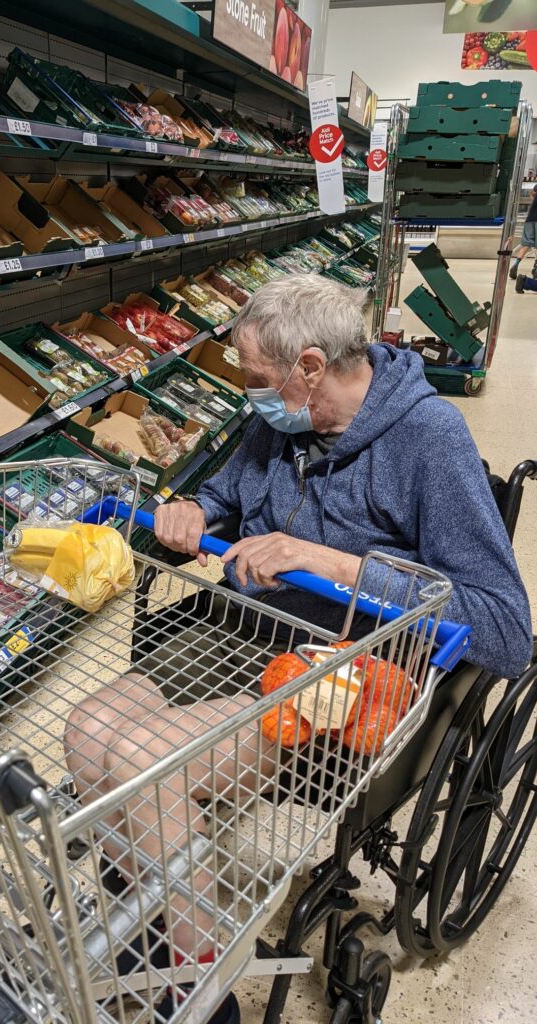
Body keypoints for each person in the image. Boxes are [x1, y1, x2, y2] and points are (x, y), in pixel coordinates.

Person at [62, 276, 532, 1024]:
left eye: (256, 378)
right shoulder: (283, 422)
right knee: (88, 733)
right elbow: (225, 497)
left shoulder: (429, 439)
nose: (249, 393)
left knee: (149, 766)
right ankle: (160, 916)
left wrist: (334, 563)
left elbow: (506, 629)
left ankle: (200, 992)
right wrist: (191, 511)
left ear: (310, 367)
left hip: (342, 670)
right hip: (242, 624)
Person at [510, 184, 537, 282]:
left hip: (530, 220)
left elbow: (532, 193)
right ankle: (536, 270)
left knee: (526, 244)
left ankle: (516, 264)